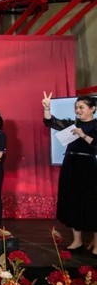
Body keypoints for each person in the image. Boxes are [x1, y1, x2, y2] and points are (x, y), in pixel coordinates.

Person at [42, 92, 97, 256]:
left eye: (81, 107)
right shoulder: (72, 123)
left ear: (92, 109)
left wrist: (83, 135)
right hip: (71, 165)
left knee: (91, 202)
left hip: (88, 167)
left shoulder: (95, 125)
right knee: (72, 201)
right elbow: (51, 122)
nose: (78, 110)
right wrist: (47, 108)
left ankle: (96, 243)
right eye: (76, 107)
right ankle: (77, 240)